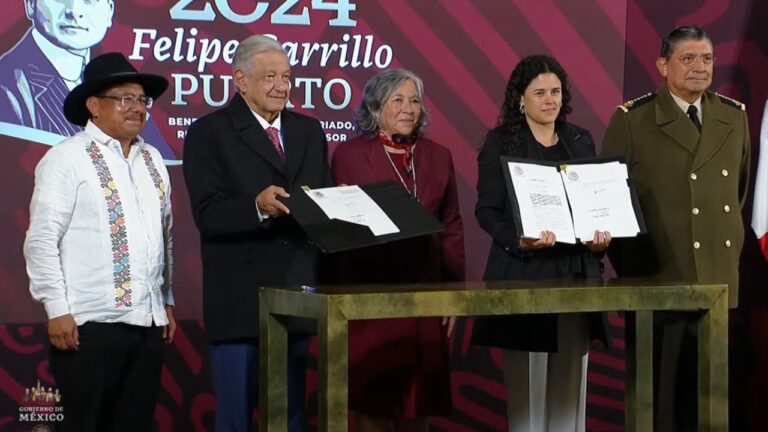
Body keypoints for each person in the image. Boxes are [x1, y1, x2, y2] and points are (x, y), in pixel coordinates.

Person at [601, 25, 750, 432]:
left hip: (715, 282)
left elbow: (737, 192)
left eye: (707, 58)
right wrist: (636, 268)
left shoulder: (733, 116)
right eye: (688, 58)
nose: (700, 67)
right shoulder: (633, 120)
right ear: (663, 65)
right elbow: (610, 201)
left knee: (709, 405)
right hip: (658, 280)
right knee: (659, 407)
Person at [183, 35, 331, 432]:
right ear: (240, 80)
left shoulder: (309, 130)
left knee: (290, 417)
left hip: (296, 296)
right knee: (236, 420)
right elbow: (207, 214)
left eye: (287, 77)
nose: (281, 86)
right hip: (239, 302)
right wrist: (257, 207)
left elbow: (322, 203)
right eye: (270, 77)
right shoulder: (208, 132)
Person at [23, 52, 176, 432]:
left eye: (142, 100)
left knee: (135, 425)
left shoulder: (154, 159)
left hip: (148, 322)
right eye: (125, 98)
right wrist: (56, 309)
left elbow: (165, 236)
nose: (137, 108)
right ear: (93, 106)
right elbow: (41, 240)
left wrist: (166, 302)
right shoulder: (65, 158)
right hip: (88, 324)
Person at [470, 55, 611, 432]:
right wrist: (520, 241)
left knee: (571, 395)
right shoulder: (500, 142)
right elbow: (486, 211)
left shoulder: (580, 139)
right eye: (540, 93)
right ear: (520, 99)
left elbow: (594, 203)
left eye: (556, 91)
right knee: (528, 400)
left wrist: (600, 240)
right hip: (525, 276)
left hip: (577, 276)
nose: (550, 100)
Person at [331, 69, 464, 432]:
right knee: (371, 399)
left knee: (417, 401)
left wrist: (454, 293)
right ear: (376, 108)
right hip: (369, 297)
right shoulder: (349, 154)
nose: (408, 108)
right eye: (398, 100)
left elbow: (451, 226)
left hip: (425, 295)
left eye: (415, 100)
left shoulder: (439, 156)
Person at [0, 0, 175, 158]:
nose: (74, 11)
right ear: (31, 5)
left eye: (90, 1)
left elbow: (162, 162)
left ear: (110, 10)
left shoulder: (118, 81)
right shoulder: (8, 86)